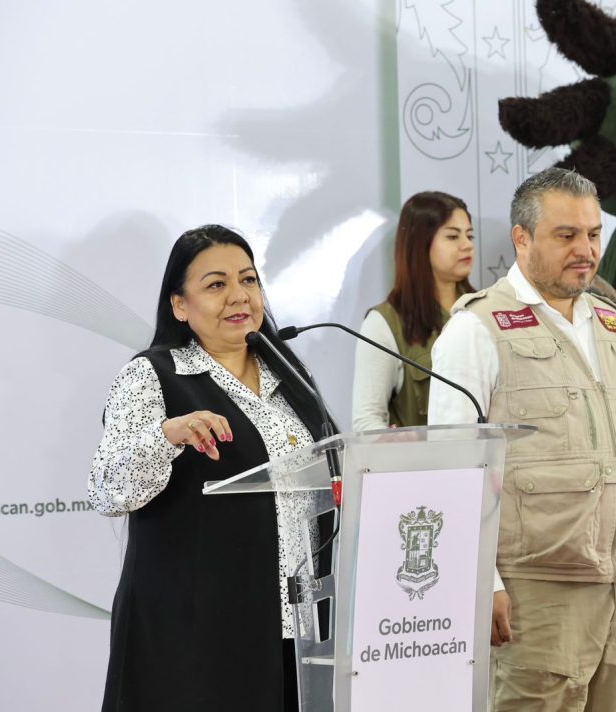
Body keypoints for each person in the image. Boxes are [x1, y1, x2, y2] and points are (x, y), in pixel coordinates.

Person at [427, 167, 616, 711]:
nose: (585, 250)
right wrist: (481, 583)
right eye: (566, 235)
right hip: (536, 594)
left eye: (593, 234)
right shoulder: (477, 329)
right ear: (521, 238)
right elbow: (450, 471)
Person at [88, 225, 327, 712]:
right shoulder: (153, 375)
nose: (239, 296)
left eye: (249, 280)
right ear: (180, 305)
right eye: (217, 284)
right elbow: (107, 490)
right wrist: (167, 435)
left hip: (296, 626)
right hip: (195, 633)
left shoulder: (290, 375)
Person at [351, 191, 474, 431]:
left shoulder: (482, 310)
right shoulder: (384, 323)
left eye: (470, 236)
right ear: (420, 243)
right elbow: (366, 421)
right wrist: (392, 441)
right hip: (424, 456)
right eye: (452, 236)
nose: (467, 245)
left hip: (486, 455)